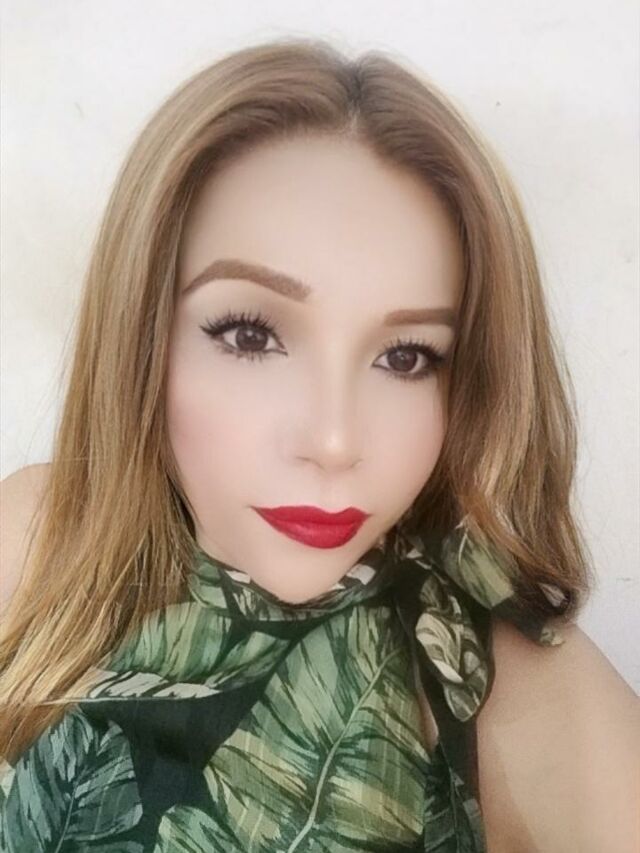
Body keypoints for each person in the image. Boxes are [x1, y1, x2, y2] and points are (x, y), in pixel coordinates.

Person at [0, 36, 638, 852]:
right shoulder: (41, 537)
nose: (334, 441)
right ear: (143, 334)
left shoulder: (505, 693)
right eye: (249, 334)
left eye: (406, 357)